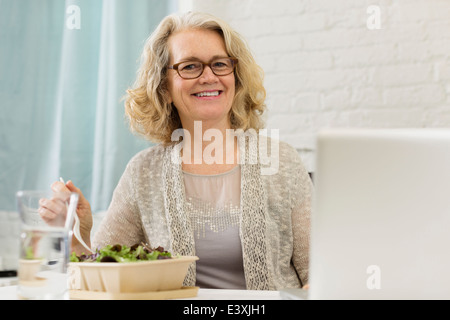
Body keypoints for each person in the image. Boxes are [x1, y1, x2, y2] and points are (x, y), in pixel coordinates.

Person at [40, 11, 313, 290]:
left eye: (220, 64)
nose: (209, 76)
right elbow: (100, 281)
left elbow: (321, 272)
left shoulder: (281, 160)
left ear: (236, 78)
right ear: (164, 88)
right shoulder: (142, 172)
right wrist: (74, 233)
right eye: (190, 66)